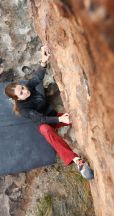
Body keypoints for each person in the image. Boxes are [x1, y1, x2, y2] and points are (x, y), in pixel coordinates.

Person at [5, 45, 94, 180]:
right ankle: (78, 162)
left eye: (22, 87)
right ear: (17, 98)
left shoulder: (28, 87)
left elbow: (37, 78)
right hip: (46, 123)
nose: (25, 90)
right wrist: (59, 120)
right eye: (21, 92)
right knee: (46, 130)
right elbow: (41, 119)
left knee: (75, 117)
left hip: (54, 116)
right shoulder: (23, 109)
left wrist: (43, 60)